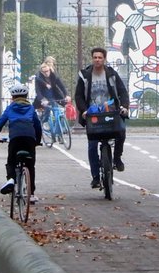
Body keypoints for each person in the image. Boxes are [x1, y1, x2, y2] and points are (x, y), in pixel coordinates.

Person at [74, 47, 128, 188]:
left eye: (100, 57)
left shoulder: (111, 74)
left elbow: (122, 92)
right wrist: (83, 111)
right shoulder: (85, 75)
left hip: (110, 112)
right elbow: (78, 96)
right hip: (92, 114)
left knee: (121, 132)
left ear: (104, 59)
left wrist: (124, 106)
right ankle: (96, 177)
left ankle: (117, 159)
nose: (97, 60)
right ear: (92, 59)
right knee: (92, 145)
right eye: (95, 57)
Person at [0, 83, 43, 202]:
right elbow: (38, 126)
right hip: (29, 139)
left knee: (11, 161)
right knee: (30, 165)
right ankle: (32, 194)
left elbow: (0, 123)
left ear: (13, 97)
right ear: (26, 96)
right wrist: (37, 141)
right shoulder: (31, 108)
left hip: (15, 138)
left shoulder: (10, 108)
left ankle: (11, 179)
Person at [33, 56, 71, 132]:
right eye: (44, 72)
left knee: (58, 111)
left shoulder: (54, 75)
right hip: (44, 96)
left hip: (53, 95)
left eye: (47, 71)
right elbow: (38, 91)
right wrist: (43, 100)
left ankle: (61, 130)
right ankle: (45, 122)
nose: (46, 73)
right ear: (41, 72)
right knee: (47, 108)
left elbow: (61, 85)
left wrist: (66, 95)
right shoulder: (38, 78)